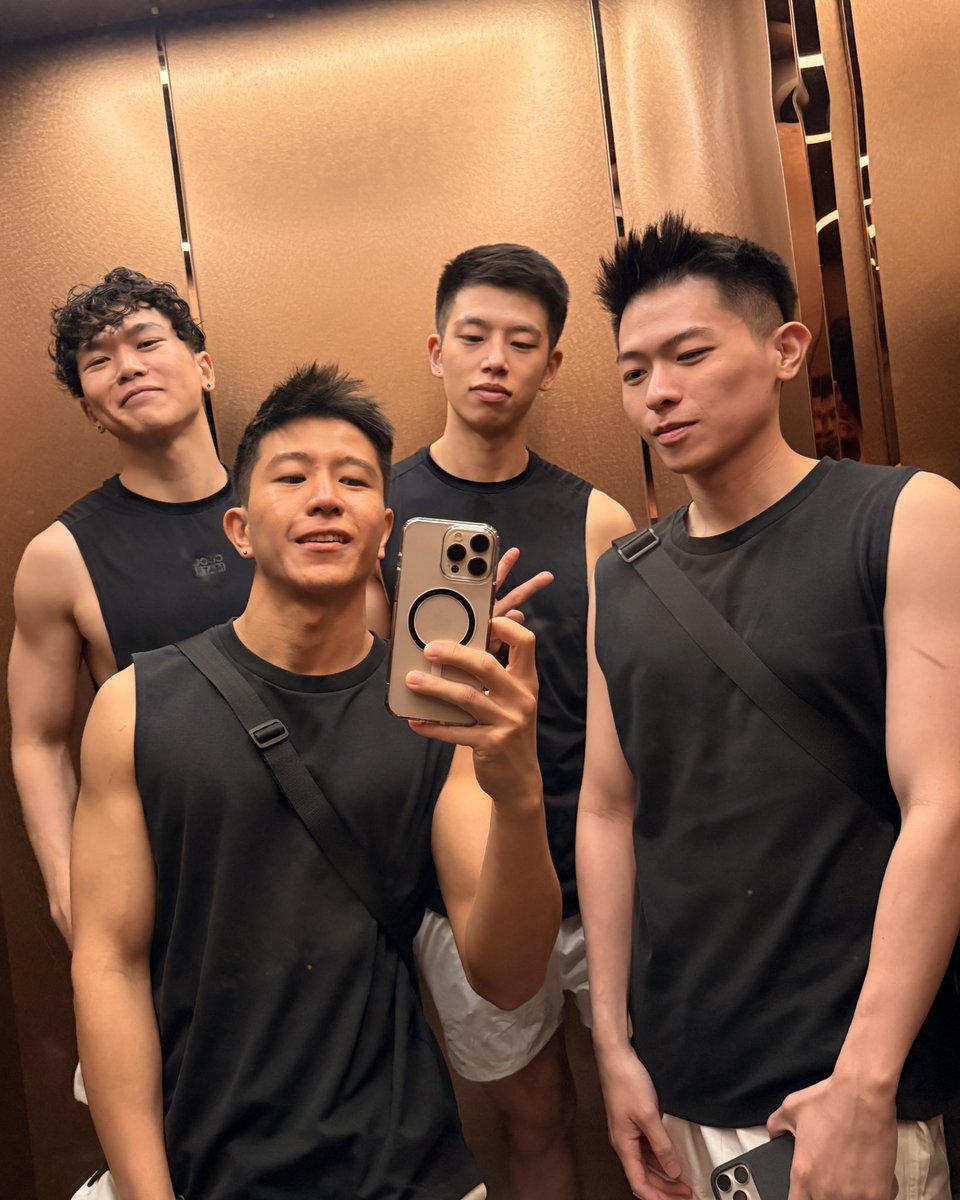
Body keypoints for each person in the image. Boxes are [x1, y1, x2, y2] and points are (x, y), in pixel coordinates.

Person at [70, 362, 562, 1200]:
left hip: (406, 1168)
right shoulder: (135, 705)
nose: (326, 498)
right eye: (292, 477)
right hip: (207, 1167)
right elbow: (108, 966)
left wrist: (518, 790)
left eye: (355, 481)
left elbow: (508, 977)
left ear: (386, 530)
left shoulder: (435, 718)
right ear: (238, 528)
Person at [577, 212, 960, 1200]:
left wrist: (866, 1085)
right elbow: (608, 808)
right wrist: (614, 1045)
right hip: (681, 1076)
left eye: (690, 354)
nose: (659, 391)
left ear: (785, 350)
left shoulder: (903, 515)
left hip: (847, 1081)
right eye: (633, 372)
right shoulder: (621, 576)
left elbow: (943, 804)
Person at [375, 244, 634, 1200]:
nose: (495, 360)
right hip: (463, 886)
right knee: (535, 1119)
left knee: (651, 1095)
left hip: (602, 874)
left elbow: (623, 708)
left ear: (553, 365)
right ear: (436, 351)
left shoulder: (599, 518)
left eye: (522, 343)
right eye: (474, 336)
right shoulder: (378, 511)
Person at [9, 267, 253, 947]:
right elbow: (37, 740)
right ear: (91, 409)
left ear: (203, 368)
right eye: (99, 361)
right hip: (171, 879)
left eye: (147, 342)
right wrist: (68, 890)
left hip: (331, 852)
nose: (128, 367)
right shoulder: (59, 557)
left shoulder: (291, 508)